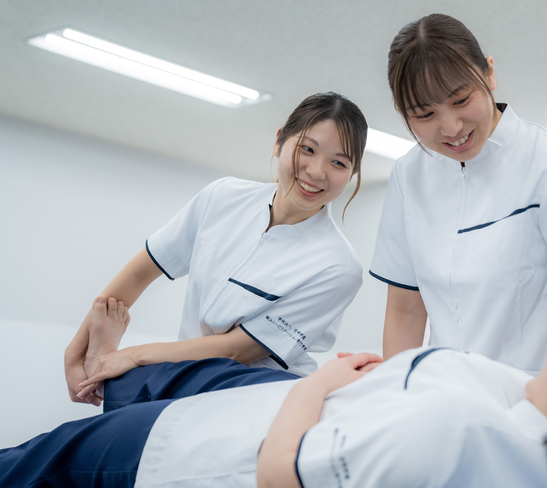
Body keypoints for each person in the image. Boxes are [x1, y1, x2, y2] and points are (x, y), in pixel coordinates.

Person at [0, 311, 547, 488]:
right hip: (292, 395)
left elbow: (280, 486)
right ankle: (122, 366)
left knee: (43, 457)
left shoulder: (449, 429)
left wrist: (312, 387)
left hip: (199, 447)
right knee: (155, 371)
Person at [65, 92, 368, 406]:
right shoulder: (223, 197)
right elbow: (142, 271)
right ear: (279, 142)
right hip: (185, 375)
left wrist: (132, 357)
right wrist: (75, 355)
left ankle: (113, 372)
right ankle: (107, 368)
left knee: (133, 385)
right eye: (307, 149)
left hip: (257, 391)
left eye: (338, 162)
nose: (317, 172)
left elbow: (237, 350)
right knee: (133, 392)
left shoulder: (338, 267)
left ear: (352, 173)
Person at [370, 14, 547, 371]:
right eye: (425, 114)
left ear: (489, 73)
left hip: (532, 401)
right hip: (443, 400)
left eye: (460, 100)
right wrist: (393, 398)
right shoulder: (407, 175)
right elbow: (405, 310)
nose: (451, 127)